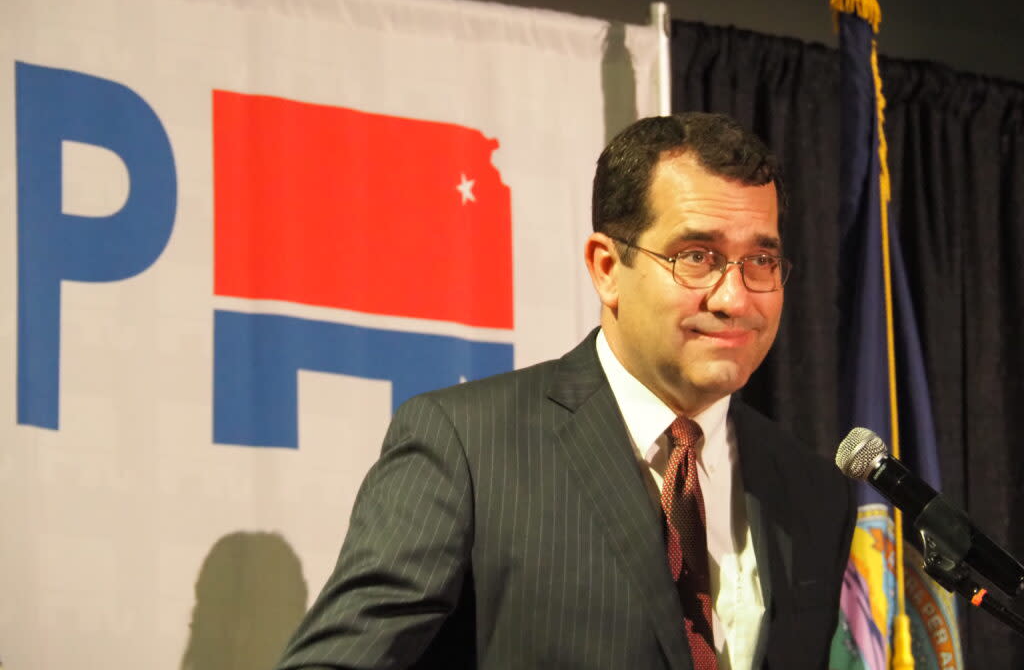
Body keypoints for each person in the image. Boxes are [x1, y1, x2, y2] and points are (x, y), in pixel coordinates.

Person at [276, 113, 855, 670]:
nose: (734, 299)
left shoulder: (810, 489)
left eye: (760, 260)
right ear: (606, 267)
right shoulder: (468, 448)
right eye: (696, 257)